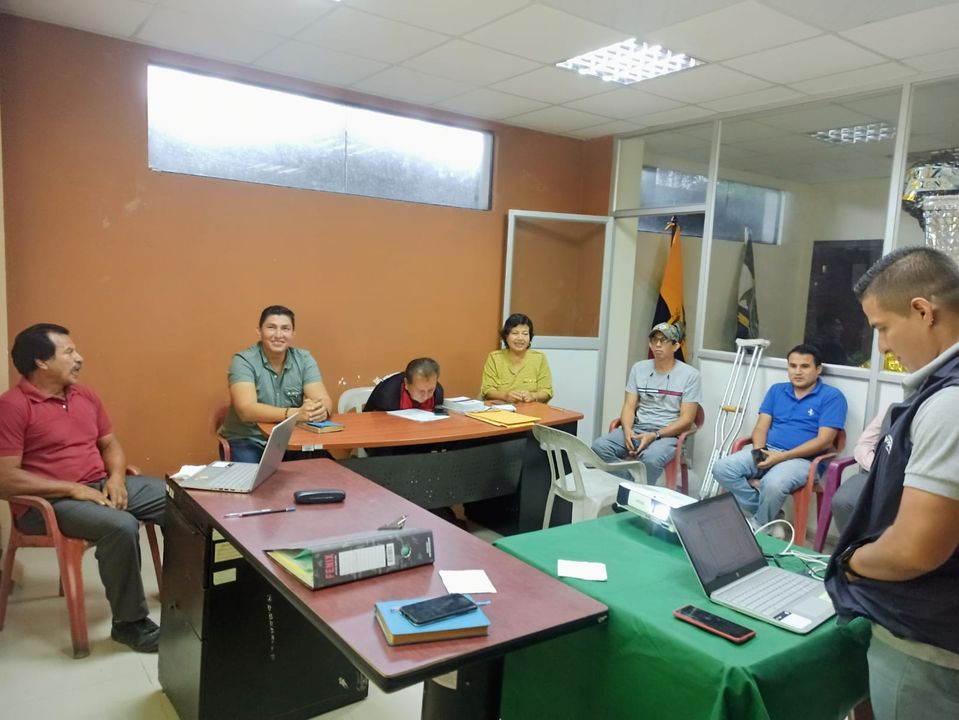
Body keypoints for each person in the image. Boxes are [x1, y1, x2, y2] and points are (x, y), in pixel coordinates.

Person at [826, 246, 959, 720]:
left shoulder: (948, 405)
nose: (881, 346)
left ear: (923, 311)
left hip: (927, 645)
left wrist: (849, 564)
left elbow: (915, 550)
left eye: (882, 327)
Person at [0, 324, 165, 653]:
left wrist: (116, 478)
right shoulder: (12, 406)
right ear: (42, 362)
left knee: (179, 500)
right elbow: (5, 478)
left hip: (98, 486)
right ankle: (130, 624)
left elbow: (110, 445)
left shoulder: (84, 395)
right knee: (120, 525)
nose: (80, 358)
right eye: (69, 352)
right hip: (47, 504)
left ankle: (188, 594)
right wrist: (72, 489)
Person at [711, 343, 847, 531]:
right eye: (793, 366)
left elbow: (824, 441)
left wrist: (781, 457)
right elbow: (761, 426)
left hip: (804, 460)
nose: (797, 372)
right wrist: (759, 452)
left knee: (773, 483)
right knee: (722, 468)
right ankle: (772, 517)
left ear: (818, 369)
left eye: (805, 366)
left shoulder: (832, 397)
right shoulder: (777, 390)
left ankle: (760, 526)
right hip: (769, 450)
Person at [219, 305, 333, 462]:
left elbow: (324, 401)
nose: (279, 335)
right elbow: (246, 410)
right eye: (271, 327)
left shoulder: (304, 359)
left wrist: (321, 411)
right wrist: (295, 414)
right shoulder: (243, 361)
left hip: (291, 439)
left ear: (292, 334)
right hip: (249, 439)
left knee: (328, 468)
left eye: (285, 329)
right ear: (259, 331)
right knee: (252, 477)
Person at [591, 322, 701, 484]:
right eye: (654, 340)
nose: (658, 345)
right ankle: (630, 485)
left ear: (676, 346)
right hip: (638, 429)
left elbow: (687, 420)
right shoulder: (639, 369)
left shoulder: (690, 375)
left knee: (650, 459)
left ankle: (639, 492)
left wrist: (655, 435)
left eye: (664, 340)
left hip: (667, 435)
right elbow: (629, 406)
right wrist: (627, 431)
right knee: (599, 447)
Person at [830, 408, 886, 533]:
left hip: (909, 479)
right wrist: (878, 466)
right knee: (842, 501)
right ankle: (851, 545)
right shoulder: (892, 410)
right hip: (874, 471)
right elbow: (864, 444)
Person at [481, 313, 552, 403]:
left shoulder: (539, 358)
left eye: (525, 334)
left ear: (530, 337)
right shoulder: (495, 358)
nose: (520, 338)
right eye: (515, 333)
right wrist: (505, 396)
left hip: (531, 408)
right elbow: (487, 390)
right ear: (506, 336)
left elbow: (546, 391)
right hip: (501, 409)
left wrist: (533, 396)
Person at [364, 358, 444, 413]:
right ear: (406, 384)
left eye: (430, 390)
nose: (426, 396)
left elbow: (438, 418)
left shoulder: (438, 392)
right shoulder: (386, 395)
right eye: (421, 391)